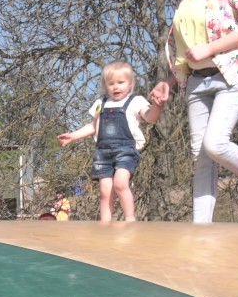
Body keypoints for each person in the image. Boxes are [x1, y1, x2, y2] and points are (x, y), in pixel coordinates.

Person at [149, 0, 238, 223]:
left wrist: (210, 48)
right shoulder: (183, 1)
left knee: (215, 145)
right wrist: (170, 81)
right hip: (196, 81)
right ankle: (201, 228)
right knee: (202, 157)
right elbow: (186, 51)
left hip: (230, 75)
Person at [58, 62, 165, 222]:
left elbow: (150, 117)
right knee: (105, 190)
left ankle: (130, 219)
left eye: (120, 83)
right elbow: (93, 126)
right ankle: (105, 223)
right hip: (103, 152)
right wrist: (73, 136)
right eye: (111, 84)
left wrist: (157, 106)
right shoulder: (101, 103)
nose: (116, 87)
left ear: (130, 83)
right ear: (105, 86)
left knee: (120, 183)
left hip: (126, 150)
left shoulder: (136, 101)